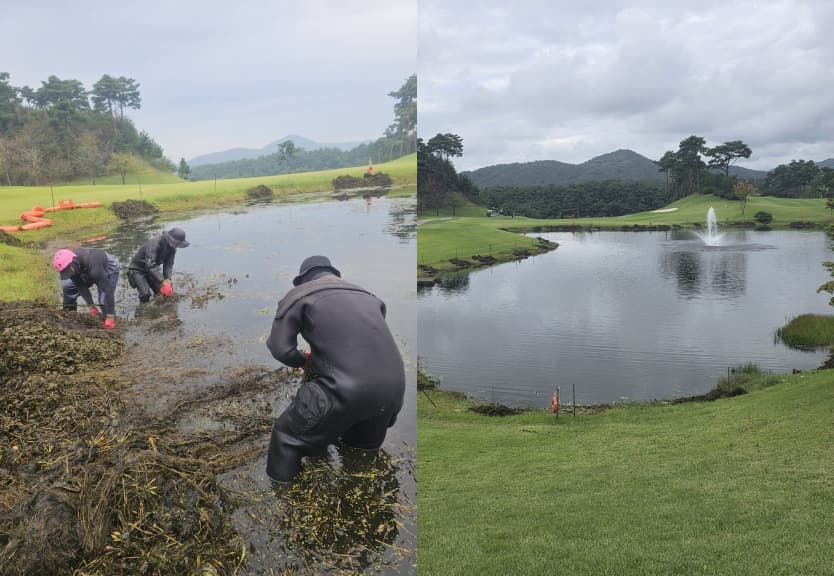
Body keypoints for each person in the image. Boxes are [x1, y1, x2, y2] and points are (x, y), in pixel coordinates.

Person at [265, 255, 405, 483]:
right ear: (333, 274)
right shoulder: (369, 297)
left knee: (286, 437)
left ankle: (279, 495)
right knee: (360, 451)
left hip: (344, 390)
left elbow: (280, 348)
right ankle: (363, 494)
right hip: (393, 391)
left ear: (302, 279)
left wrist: (303, 361)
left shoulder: (299, 295)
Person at [53, 247, 120, 329]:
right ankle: (70, 316)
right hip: (86, 268)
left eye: (69, 271)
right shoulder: (72, 266)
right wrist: (91, 305)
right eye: (66, 272)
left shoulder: (93, 269)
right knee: (68, 287)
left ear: (73, 263)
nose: (69, 274)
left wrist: (110, 316)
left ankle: (112, 323)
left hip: (107, 267)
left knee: (103, 301)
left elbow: (108, 290)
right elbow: (80, 286)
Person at [127, 227, 189, 302]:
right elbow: (150, 265)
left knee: (163, 293)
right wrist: (162, 280)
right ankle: (142, 311)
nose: (176, 246)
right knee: (145, 294)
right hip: (137, 270)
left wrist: (167, 279)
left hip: (151, 271)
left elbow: (168, 264)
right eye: (176, 243)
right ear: (169, 239)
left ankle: (159, 310)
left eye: (178, 244)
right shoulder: (154, 244)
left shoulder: (172, 248)